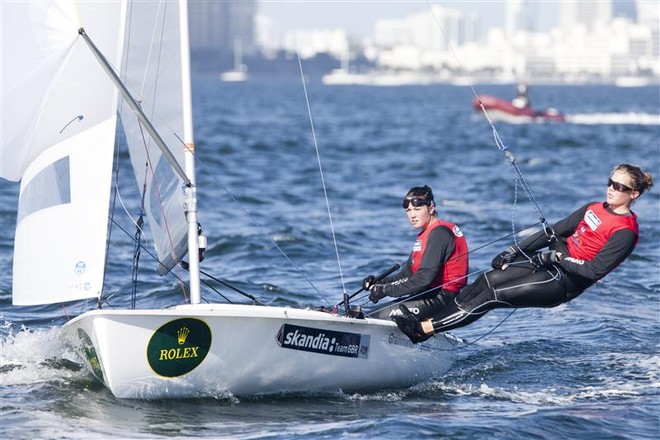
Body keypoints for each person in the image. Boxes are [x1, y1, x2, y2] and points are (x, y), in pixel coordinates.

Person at [392, 164, 654, 343]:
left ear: (634, 194)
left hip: (563, 283)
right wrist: (513, 250)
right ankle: (436, 321)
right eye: (610, 182)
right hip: (549, 265)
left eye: (619, 187)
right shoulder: (593, 207)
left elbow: (593, 270)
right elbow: (553, 231)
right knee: (488, 279)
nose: (611, 188)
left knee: (491, 296)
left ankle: (423, 330)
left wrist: (557, 258)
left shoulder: (625, 232)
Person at [364, 185, 469, 320]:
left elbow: (423, 278)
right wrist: (380, 282)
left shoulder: (439, 233)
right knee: (366, 312)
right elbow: (408, 274)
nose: (412, 215)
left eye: (417, 209)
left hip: (442, 299)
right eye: (408, 210)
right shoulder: (426, 234)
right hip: (428, 295)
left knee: (371, 315)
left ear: (431, 208)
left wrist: (386, 290)